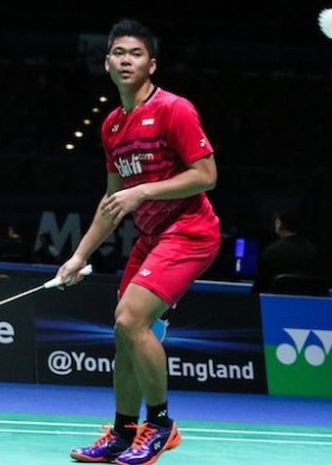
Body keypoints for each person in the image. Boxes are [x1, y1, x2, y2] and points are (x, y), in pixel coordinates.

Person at [56, 19, 220, 465]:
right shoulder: (111, 126)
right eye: (118, 53)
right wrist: (79, 256)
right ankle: (124, 431)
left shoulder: (174, 109)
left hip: (190, 232)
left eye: (136, 54)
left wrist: (143, 190)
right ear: (107, 62)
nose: (126, 60)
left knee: (132, 320)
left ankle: (162, 426)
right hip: (152, 237)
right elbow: (112, 201)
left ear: (152, 64)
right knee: (123, 333)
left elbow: (206, 175)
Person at [253, 209, 320, 293]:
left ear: (279, 224)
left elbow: (260, 287)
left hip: (275, 304)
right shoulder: (313, 251)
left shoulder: (271, 252)